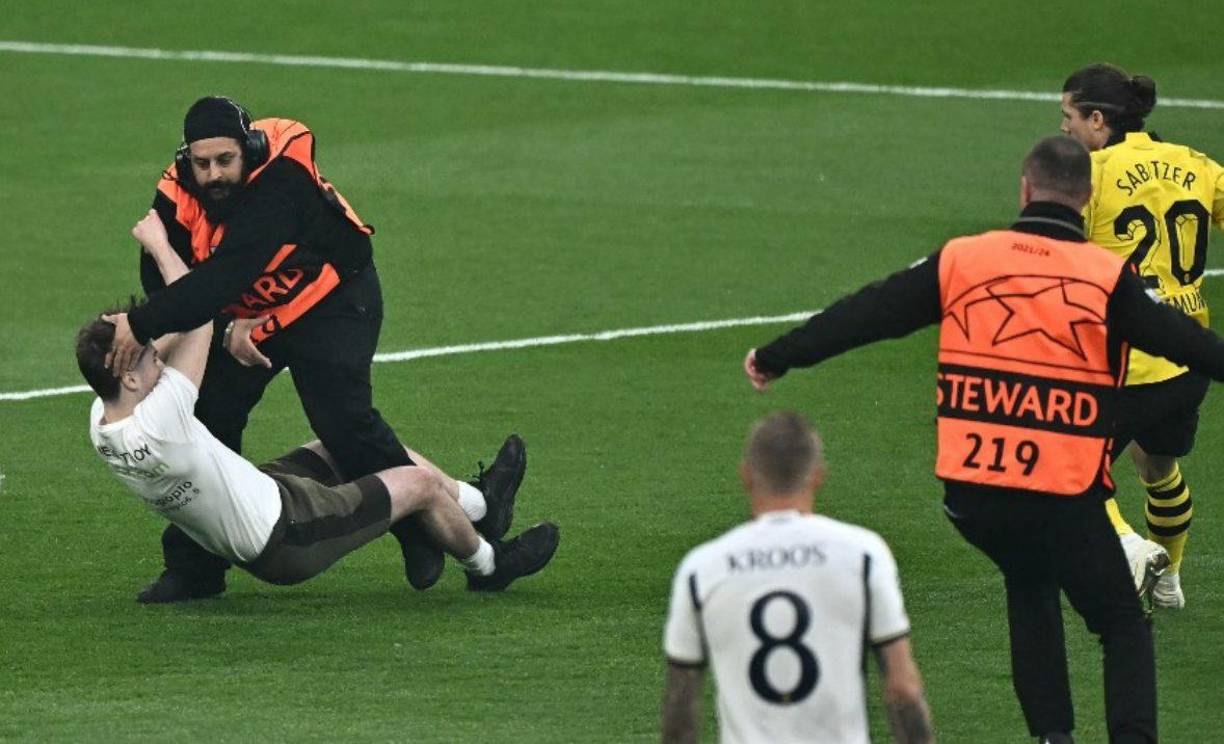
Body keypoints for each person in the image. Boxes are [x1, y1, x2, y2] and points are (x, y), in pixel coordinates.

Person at [744, 136, 1224, 743]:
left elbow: (868, 313)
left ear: (1024, 189)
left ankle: (1053, 738)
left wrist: (780, 355)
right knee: (1121, 624)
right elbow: (1186, 343)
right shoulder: (1106, 275)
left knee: (1028, 582)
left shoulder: (964, 258)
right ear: (1088, 200)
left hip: (975, 492)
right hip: (1061, 490)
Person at [102, 96, 516, 601]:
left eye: (225, 161)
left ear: (249, 149)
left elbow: (223, 275)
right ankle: (195, 569)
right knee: (209, 416)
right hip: (251, 315)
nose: (213, 175)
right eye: (201, 162)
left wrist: (142, 324)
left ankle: (417, 525)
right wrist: (231, 322)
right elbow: (164, 275)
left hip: (332, 300)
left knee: (342, 422)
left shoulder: (280, 181)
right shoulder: (178, 189)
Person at [78, 230, 560, 595]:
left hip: (264, 500)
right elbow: (197, 309)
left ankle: (481, 504)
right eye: (145, 354)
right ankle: (489, 566)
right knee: (419, 485)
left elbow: (160, 342)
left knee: (342, 446)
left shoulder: (105, 418)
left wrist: (139, 336)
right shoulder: (163, 419)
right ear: (133, 379)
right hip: (289, 537)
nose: (155, 351)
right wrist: (160, 244)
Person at [661, 412, 933, 744]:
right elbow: (902, 688)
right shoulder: (862, 555)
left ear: (746, 477)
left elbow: (681, 705)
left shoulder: (702, 569)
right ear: (818, 476)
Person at [1060, 63, 1224, 609]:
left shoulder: (1092, 173)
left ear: (1098, 120)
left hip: (1123, 363)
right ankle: (1172, 579)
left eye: (1069, 116)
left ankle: (1132, 548)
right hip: (1188, 359)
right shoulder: (1196, 164)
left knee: (1071, 469)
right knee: (1157, 466)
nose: (1064, 128)